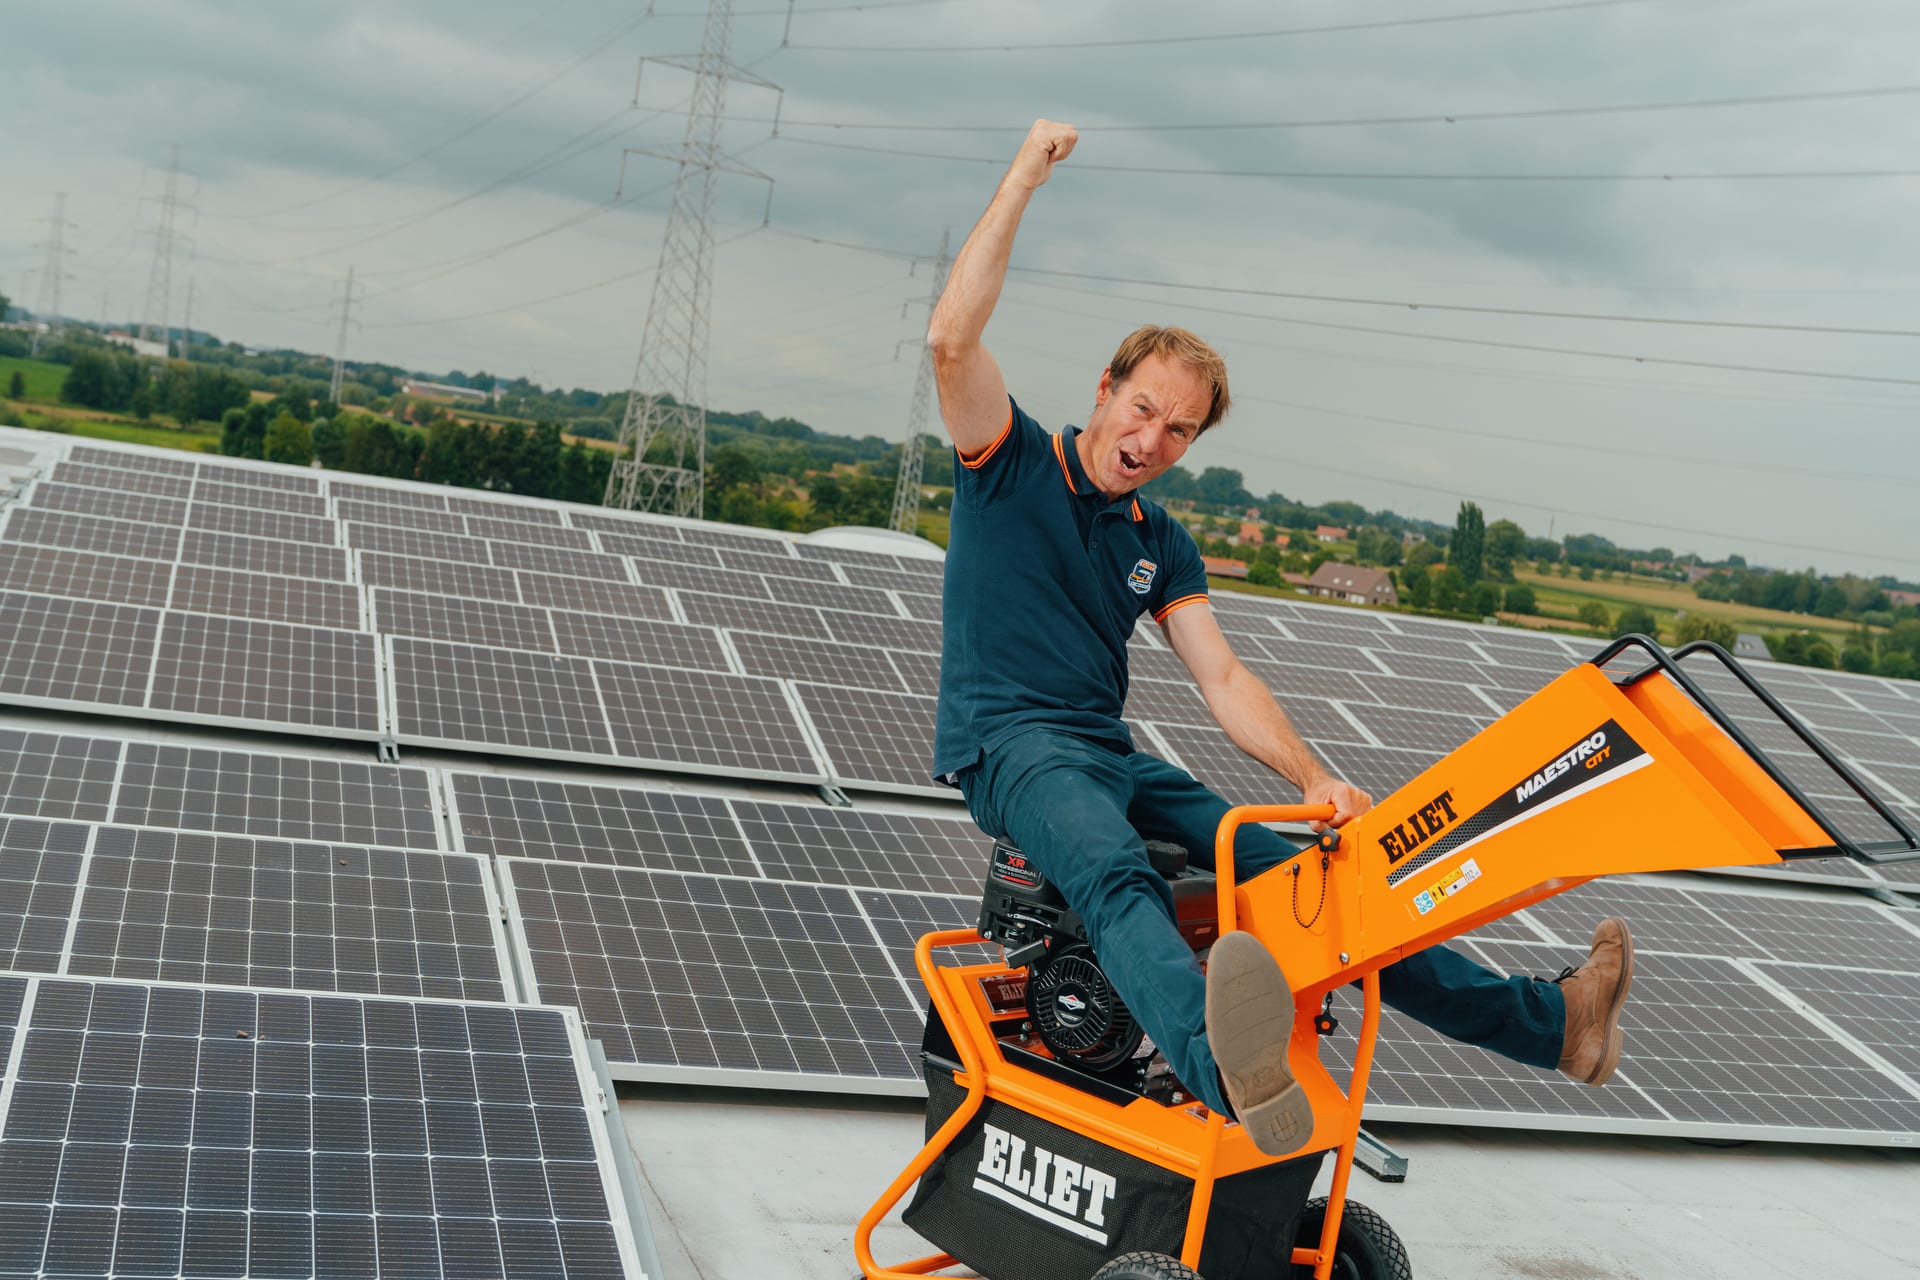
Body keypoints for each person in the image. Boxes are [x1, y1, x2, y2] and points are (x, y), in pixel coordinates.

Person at [928, 119, 1635, 1156]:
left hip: (1105, 751)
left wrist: (1312, 778)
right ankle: (1229, 1071)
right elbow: (951, 341)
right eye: (1142, 407)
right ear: (1105, 389)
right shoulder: (1008, 461)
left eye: (1178, 429)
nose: (1150, 439)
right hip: (1011, 747)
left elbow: (1222, 675)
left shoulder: (1159, 540)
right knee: (1117, 874)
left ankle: (1553, 1025)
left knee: (1306, 884)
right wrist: (1026, 176)